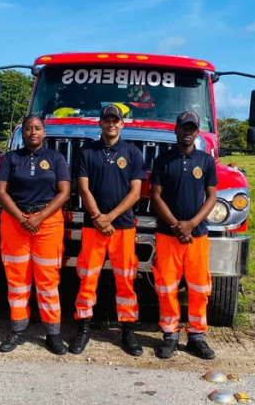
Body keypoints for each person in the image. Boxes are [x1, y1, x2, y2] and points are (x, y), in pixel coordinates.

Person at [68, 104, 147, 356]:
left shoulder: (132, 153)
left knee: (125, 280)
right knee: (87, 278)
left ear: (122, 124)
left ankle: (127, 330)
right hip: (93, 227)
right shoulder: (87, 152)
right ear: (100, 123)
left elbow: (136, 192)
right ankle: (83, 328)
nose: (111, 124)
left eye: (116, 120)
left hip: (123, 227)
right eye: (107, 120)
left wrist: (109, 217)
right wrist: (97, 217)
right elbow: (83, 188)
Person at [0, 114, 71, 355]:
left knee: (48, 281)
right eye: (28, 129)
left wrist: (39, 217)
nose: (33, 132)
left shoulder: (56, 158)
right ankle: (17, 330)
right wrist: (20, 217)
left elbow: (64, 192)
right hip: (16, 223)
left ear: (44, 132)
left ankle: (53, 334)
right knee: (17, 279)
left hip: (47, 223)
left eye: (37, 128)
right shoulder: (11, 158)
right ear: (22, 133)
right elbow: (1, 191)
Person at [150, 111, 218, 360]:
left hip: (197, 236)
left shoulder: (206, 161)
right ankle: (169, 335)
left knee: (199, 288)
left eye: (192, 127)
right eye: (183, 127)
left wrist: (191, 224)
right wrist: (176, 225)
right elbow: (155, 196)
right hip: (168, 235)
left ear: (197, 132)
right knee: (166, 287)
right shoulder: (163, 160)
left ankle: (196, 337)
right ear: (176, 130)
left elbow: (211, 196)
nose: (188, 131)